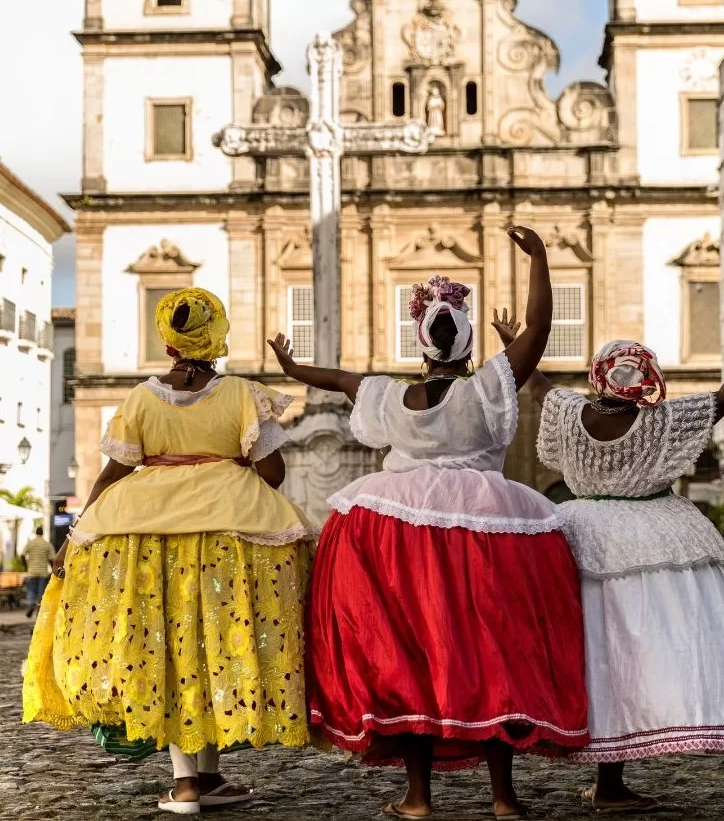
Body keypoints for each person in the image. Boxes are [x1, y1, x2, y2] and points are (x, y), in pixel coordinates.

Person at [268, 226, 588, 821]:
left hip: (396, 534)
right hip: (489, 531)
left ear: (420, 346)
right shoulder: (488, 387)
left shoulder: (388, 396)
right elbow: (539, 331)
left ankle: (418, 797)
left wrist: (291, 363)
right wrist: (540, 259)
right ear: (468, 347)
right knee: (494, 653)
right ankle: (504, 797)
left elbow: (334, 380)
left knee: (411, 655)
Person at [493, 298, 724, 813]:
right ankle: (614, 779)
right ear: (646, 380)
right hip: (652, 539)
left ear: (598, 378)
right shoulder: (664, 423)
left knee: (590, 653)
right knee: (639, 652)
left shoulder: (569, 414)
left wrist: (512, 343)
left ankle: (599, 771)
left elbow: (538, 386)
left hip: (578, 537)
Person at [23, 288, 316, 816]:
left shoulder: (141, 397)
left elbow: (113, 472)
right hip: (230, 533)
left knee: (169, 647)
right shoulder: (243, 394)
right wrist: (226, 462)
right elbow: (272, 473)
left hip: (142, 533)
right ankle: (202, 777)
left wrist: (77, 530)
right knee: (211, 647)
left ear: (170, 340)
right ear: (216, 333)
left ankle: (195, 781)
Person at [22, 526, 54, 618]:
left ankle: (31, 603)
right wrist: (52, 570)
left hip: (32, 571)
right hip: (43, 572)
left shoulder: (30, 543)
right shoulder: (46, 544)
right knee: (41, 593)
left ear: (36, 532)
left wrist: (25, 566)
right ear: (42, 533)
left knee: (31, 590)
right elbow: (52, 559)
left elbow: (22, 555)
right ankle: (39, 611)